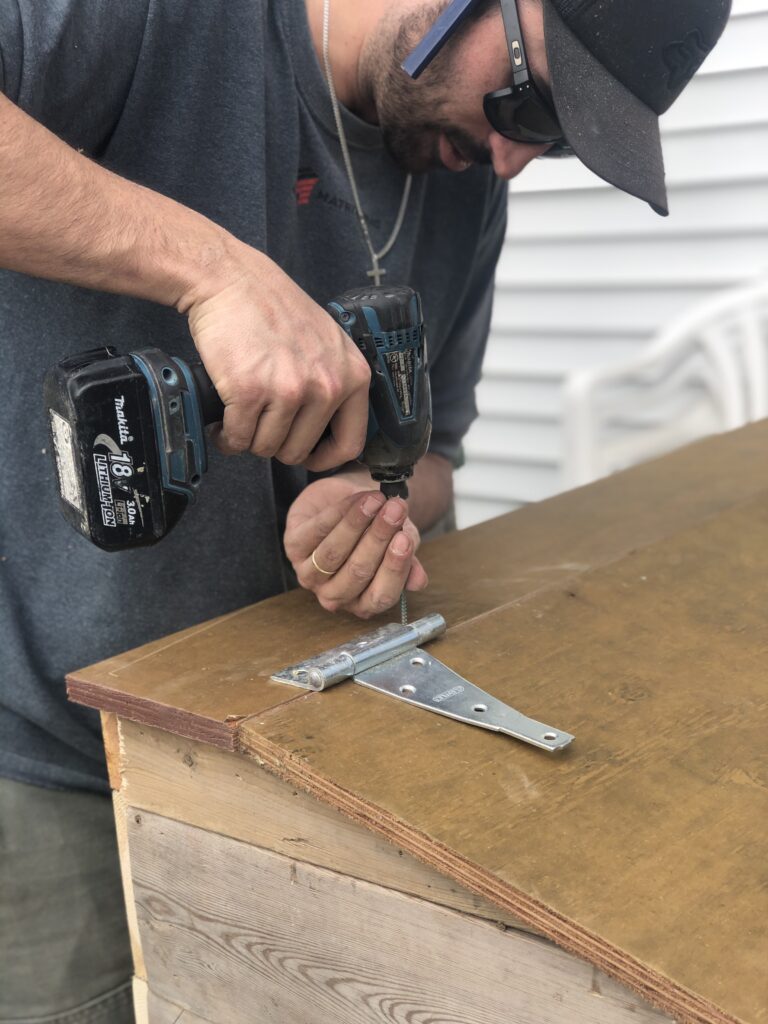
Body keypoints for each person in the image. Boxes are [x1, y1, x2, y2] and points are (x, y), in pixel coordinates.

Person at [0, 0, 731, 1020]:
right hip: (42, 749)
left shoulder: (465, 187)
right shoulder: (166, 23)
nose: (514, 159)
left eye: (557, 143)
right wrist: (212, 273)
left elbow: (434, 458)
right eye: (529, 104)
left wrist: (376, 506)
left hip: (283, 753)